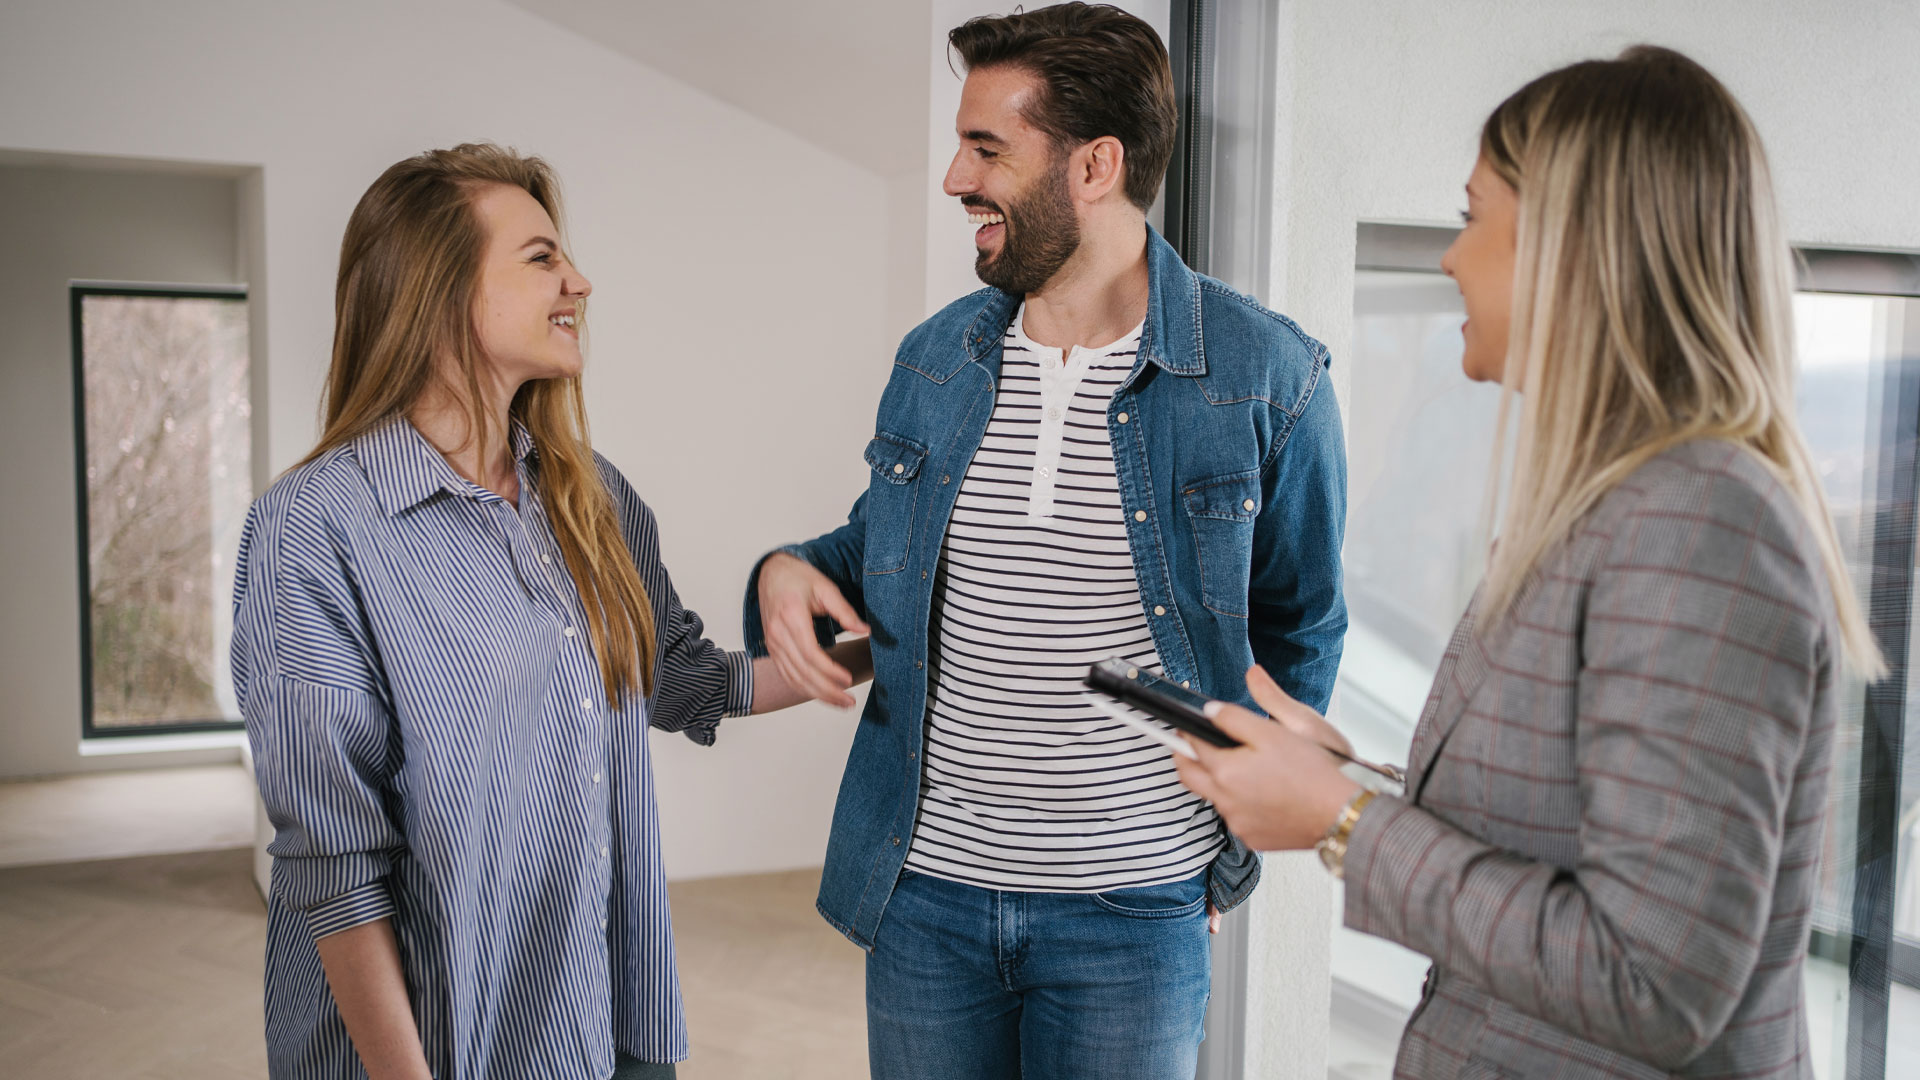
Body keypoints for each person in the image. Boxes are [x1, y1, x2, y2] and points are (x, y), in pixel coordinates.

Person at [1174, 47, 1885, 1079]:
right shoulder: (1618, 503)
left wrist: (1345, 823)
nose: (1452, 258)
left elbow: (1655, 980)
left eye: (1472, 215)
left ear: (1572, 244)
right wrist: (1343, 774)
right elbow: (1572, 831)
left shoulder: (1701, 523)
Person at [744, 5, 1347, 1078]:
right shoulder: (939, 358)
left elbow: (1302, 631)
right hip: (925, 899)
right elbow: (880, 549)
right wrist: (786, 570)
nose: (953, 180)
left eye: (987, 149)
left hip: (1135, 915)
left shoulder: (1266, 377)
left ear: (1095, 166)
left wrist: (1222, 856)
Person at [233, 144, 867, 1080]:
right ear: (438, 287)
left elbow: (679, 680)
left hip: (607, 1021)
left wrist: (883, 650)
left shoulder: (591, 497)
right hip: (440, 1048)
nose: (580, 281)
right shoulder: (317, 528)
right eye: (541, 257)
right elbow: (334, 864)